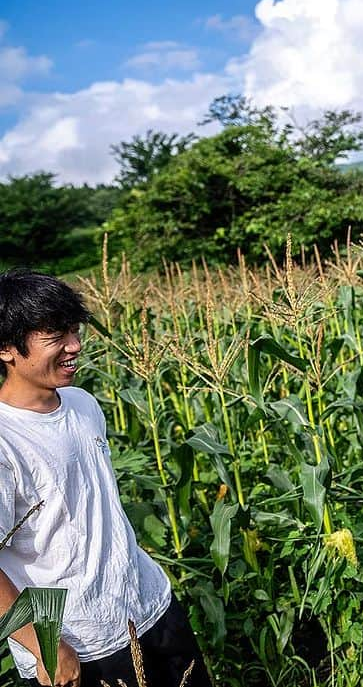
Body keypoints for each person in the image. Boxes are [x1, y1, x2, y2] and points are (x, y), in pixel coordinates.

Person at [0, 269, 213, 687]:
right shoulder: (5, 439)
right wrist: (45, 645)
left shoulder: (82, 403)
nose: (75, 346)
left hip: (150, 604)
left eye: (75, 332)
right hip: (80, 641)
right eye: (55, 336)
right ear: (7, 348)